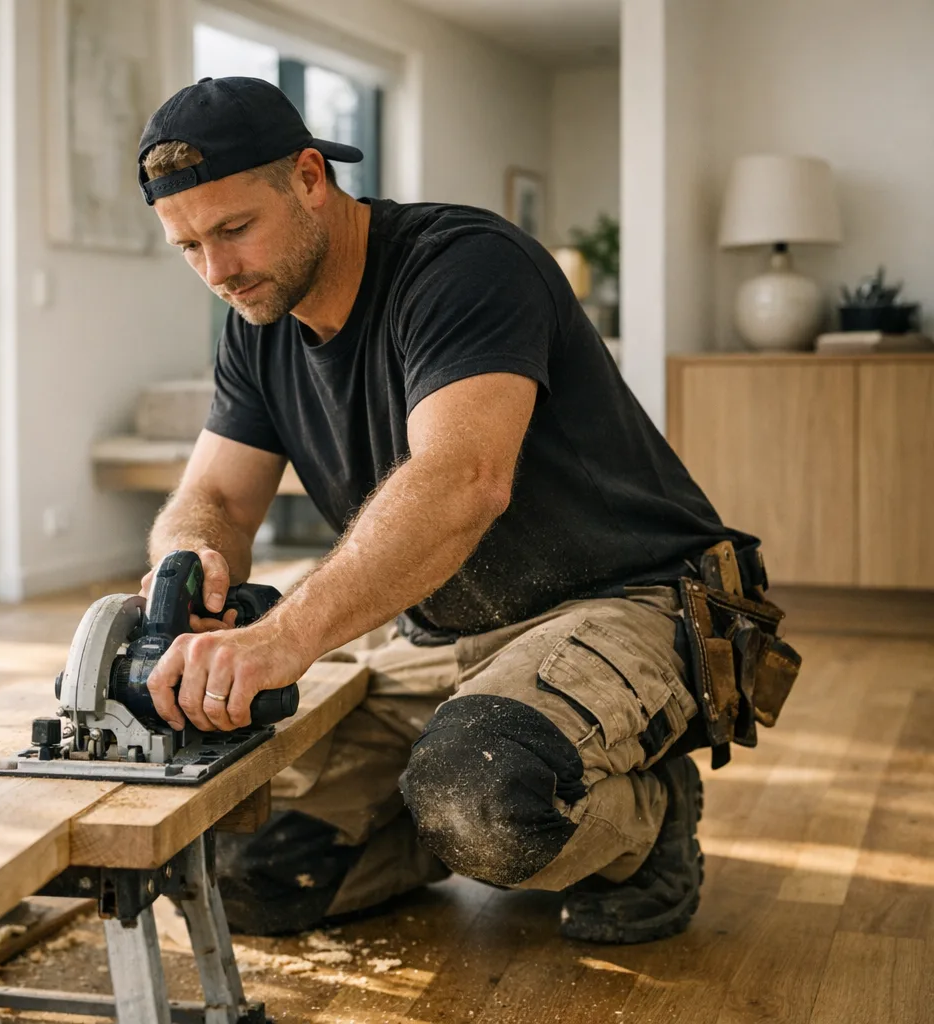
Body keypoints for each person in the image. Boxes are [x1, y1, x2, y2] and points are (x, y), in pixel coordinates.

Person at [134, 77, 800, 944]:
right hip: (441, 632)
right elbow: (217, 496)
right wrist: (193, 557)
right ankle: (465, 822)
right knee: (244, 870)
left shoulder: (463, 264)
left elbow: (462, 479)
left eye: (233, 229)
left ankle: (648, 817)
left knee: (483, 791)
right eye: (189, 246)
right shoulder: (257, 325)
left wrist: (283, 637)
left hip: (624, 599)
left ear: (309, 177)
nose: (218, 271)